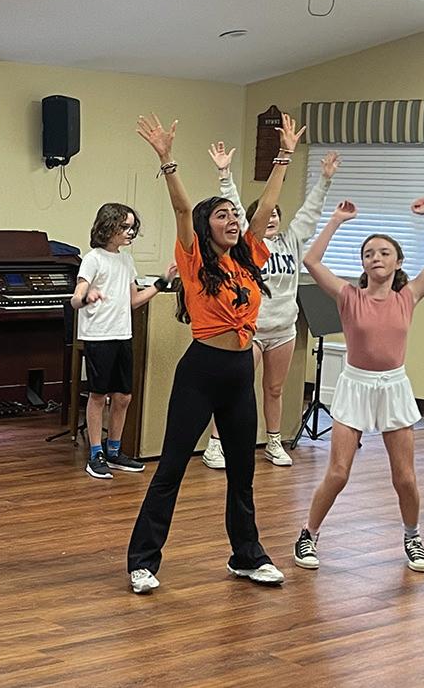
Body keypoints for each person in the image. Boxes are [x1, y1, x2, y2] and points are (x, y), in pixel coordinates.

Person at [125, 113, 303, 594]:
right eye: (221, 215)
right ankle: (142, 561)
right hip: (201, 371)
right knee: (172, 468)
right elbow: (182, 209)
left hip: (239, 371)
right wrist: (167, 159)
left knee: (243, 472)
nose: (232, 220)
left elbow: (266, 207)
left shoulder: (249, 256)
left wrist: (284, 156)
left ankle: (247, 556)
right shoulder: (194, 258)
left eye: (233, 215)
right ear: (206, 226)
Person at [293, 198, 424, 573]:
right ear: (362, 264)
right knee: (338, 472)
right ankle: (308, 534)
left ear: (398, 262)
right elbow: (311, 261)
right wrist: (336, 220)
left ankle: (413, 537)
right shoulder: (348, 297)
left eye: (384, 253)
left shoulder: (408, 297)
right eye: (368, 254)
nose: (375, 258)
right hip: (355, 386)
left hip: (393, 387)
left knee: (405, 477)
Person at [207, 144, 339, 467]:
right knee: (235, 388)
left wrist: (325, 180)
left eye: (277, 214)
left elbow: (310, 213)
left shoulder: (290, 242)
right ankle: (215, 444)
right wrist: (224, 174)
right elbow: (237, 210)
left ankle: (274, 442)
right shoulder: (248, 245)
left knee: (275, 389)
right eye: (268, 214)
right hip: (252, 330)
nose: (273, 217)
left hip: (283, 329)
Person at [71, 203, 174, 479]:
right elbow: (75, 299)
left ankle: (114, 450)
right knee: (98, 395)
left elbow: (134, 300)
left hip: (122, 335)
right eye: (124, 227)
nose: (130, 232)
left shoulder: (127, 261)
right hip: (99, 336)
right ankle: (95, 454)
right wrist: (87, 297)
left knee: (123, 396)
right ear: (108, 227)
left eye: (132, 228)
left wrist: (163, 281)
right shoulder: (93, 259)